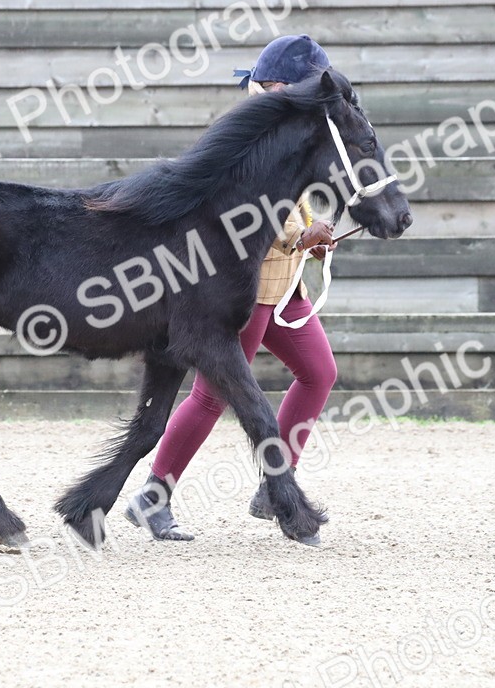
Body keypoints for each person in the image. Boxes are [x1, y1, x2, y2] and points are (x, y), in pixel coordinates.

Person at [125, 34, 339, 541]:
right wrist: (298, 235)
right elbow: (241, 208)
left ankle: (273, 485)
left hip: (285, 286)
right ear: (281, 88)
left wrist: (314, 233)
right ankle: (153, 494)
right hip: (245, 286)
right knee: (211, 395)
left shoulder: (285, 128)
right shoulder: (249, 133)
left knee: (319, 373)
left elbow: (290, 201)